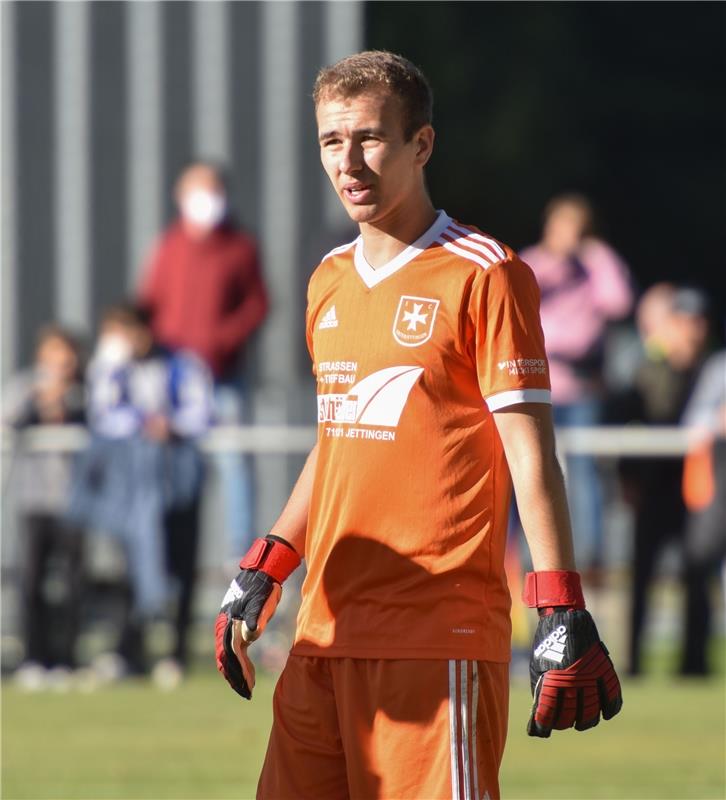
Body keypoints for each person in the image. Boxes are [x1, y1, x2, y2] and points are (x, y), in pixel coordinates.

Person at [215, 51, 622, 800]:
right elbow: (339, 439)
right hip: (323, 633)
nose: (350, 162)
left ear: (420, 145)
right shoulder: (327, 279)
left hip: (435, 639)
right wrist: (266, 563)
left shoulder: (485, 273)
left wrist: (559, 603)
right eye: (332, 142)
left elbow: (532, 459)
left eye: (370, 138)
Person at [69, 304, 212, 683]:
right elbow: (103, 414)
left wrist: (171, 425)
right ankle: (130, 650)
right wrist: (140, 420)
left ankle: (175, 652)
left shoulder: (182, 364)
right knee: (129, 566)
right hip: (130, 486)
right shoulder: (112, 369)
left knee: (180, 565)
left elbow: (200, 413)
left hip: (177, 480)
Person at [137, 162, 268, 555]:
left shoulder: (240, 247)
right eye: (196, 191)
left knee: (233, 467)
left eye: (212, 191)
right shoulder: (169, 246)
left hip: (223, 376)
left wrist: (221, 341)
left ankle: (239, 561)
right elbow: (149, 305)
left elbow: (257, 305)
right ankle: (171, 562)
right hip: (176, 382)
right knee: (174, 471)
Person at [520, 195, 633, 576]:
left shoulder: (592, 267)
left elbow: (619, 303)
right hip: (539, 388)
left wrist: (595, 253)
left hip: (583, 390)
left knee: (585, 474)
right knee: (532, 467)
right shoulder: (532, 263)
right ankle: (530, 556)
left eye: (579, 229)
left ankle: (591, 556)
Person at [616, 286, 710, 675]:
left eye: (696, 322)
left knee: (697, 572)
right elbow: (626, 425)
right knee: (641, 577)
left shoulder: (712, 372)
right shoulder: (648, 371)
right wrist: (628, 481)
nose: (690, 330)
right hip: (653, 488)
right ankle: (633, 663)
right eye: (683, 321)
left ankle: (694, 663)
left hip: (697, 491)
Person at [3, 325, 85, 687]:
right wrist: (39, 402)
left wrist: (64, 404)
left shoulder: (84, 392)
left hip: (75, 502)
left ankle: (67, 657)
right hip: (35, 499)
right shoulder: (24, 388)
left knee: (72, 581)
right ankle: (33, 657)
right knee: (32, 580)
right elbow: (8, 421)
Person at [680, 347, 726, 675]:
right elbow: (694, 423)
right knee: (701, 564)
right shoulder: (719, 367)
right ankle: (695, 661)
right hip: (718, 483)